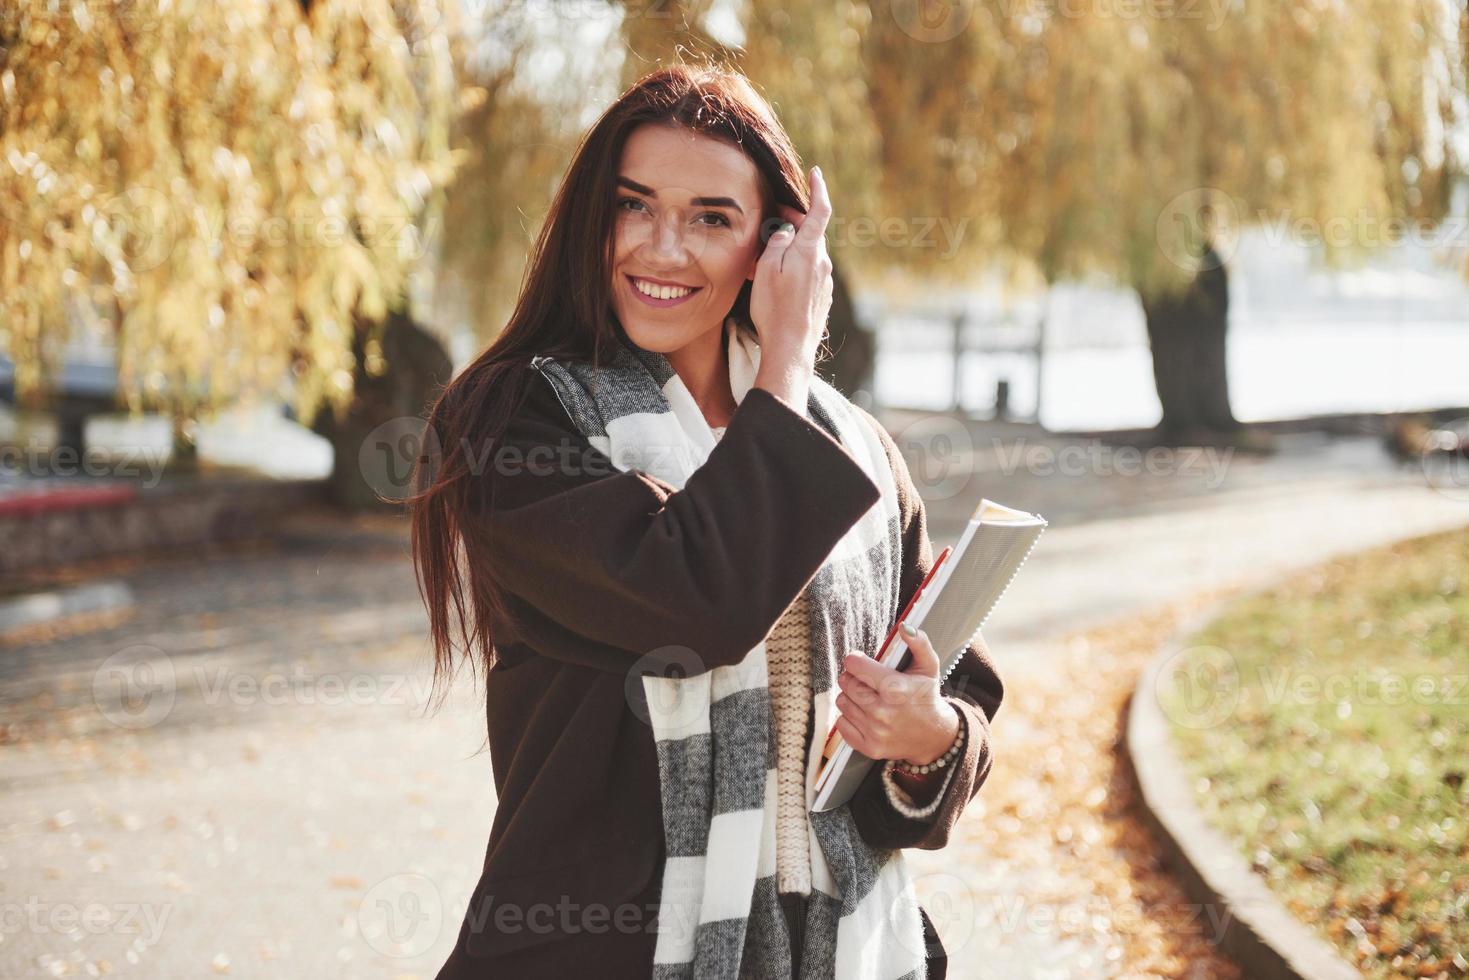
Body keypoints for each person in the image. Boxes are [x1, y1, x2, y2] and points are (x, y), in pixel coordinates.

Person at [409, 62, 1003, 979]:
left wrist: (929, 742)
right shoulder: (513, 426)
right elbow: (690, 607)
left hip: (844, 949)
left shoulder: (856, 449)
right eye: (633, 205)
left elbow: (957, 688)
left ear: (775, 245)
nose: (662, 249)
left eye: (710, 218)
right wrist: (786, 368)